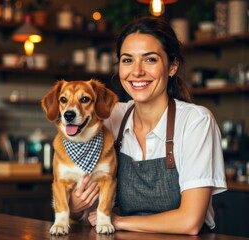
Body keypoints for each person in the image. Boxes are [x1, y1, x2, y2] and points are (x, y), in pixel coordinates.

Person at [69, 16, 227, 235]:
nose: (137, 71)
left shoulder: (195, 122)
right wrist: (75, 208)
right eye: (127, 60)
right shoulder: (112, 117)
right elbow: (79, 191)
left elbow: (190, 222)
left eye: (150, 59)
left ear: (172, 66)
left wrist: (120, 221)